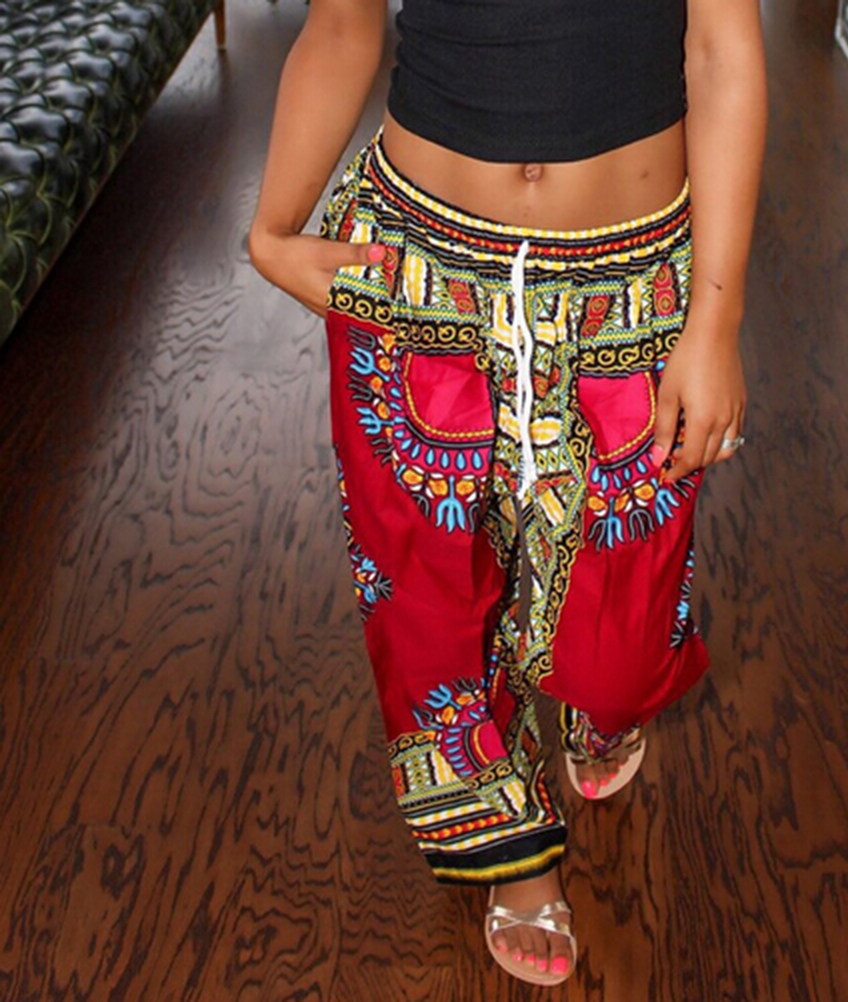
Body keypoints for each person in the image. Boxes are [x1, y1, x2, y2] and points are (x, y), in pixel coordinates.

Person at [250, 0, 766, 986]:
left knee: (617, 648)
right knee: (429, 597)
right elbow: (343, 26)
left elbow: (721, 49)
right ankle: (508, 846)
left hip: (632, 281)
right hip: (417, 264)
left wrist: (716, 321)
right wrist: (272, 229)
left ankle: (604, 699)